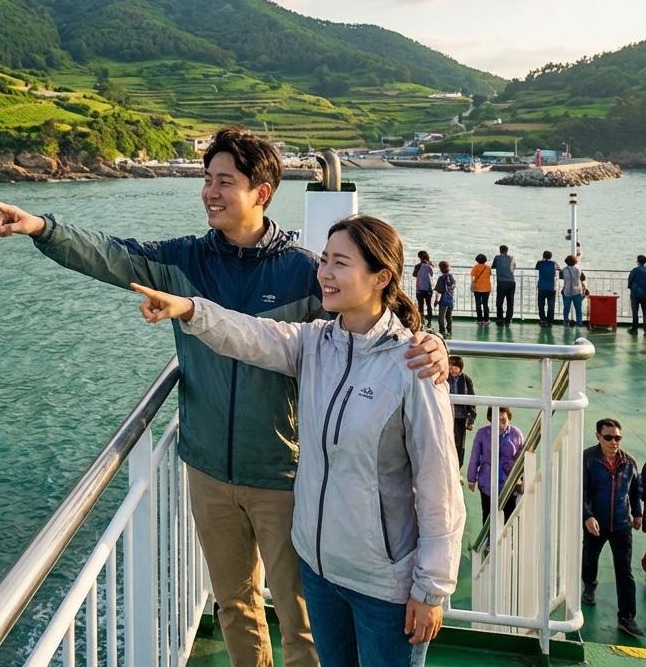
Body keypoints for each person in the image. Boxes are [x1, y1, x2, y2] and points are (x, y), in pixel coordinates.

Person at [0, 128, 449, 667]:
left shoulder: (306, 272)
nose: (210, 192)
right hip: (207, 469)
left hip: (284, 473)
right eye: (207, 180)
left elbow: (370, 328)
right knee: (235, 605)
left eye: (225, 181)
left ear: (262, 192)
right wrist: (43, 227)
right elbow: (110, 256)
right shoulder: (185, 262)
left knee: (302, 620)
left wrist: (431, 343)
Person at [130, 214, 464, 667]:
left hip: (384, 584)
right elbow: (249, 334)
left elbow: (439, 485)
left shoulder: (413, 366)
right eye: (324, 260)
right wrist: (190, 309)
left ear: (381, 277)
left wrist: (430, 588)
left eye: (340, 263)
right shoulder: (314, 344)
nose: (324, 273)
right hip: (320, 571)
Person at [582, 418, 644, 637]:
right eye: (608, 437)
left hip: (621, 524)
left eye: (617, 437)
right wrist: (587, 516)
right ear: (598, 436)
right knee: (590, 558)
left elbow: (635, 489)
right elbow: (580, 491)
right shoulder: (588, 459)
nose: (613, 441)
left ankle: (626, 618)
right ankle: (589, 585)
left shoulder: (629, 462)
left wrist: (637, 513)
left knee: (625, 572)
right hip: (595, 524)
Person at [467, 407, 524, 524]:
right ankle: (489, 541)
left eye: (503, 420)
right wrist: (471, 479)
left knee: (509, 518)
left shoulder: (516, 434)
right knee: (488, 517)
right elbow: (475, 456)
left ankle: (509, 541)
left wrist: (522, 480)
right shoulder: (482, 434)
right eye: (496, 420)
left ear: (508, 417)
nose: (500, 424)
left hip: (509, 484)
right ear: (490, 419)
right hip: (488, 484)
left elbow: (522, 458)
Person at [447, 356, 476, 471]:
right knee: (445, 441)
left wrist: (471, 418)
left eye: (454, 367)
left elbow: (472, 399)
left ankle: (457, 469)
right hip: (447, 414)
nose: (451, 369)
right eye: (450, 366)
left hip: (460, 416)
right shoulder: (445, 377)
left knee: (459, 444)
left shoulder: (466, 380)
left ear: (460, 368)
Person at [491, 245, 516, 327]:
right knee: (510, 302)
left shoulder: (497, 258)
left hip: (502, 282)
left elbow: (493, 266)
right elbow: (514, 266)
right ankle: (508, 321)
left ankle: (500, 320)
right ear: (507, 250)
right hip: (511, 282)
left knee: (499, 302)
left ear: (500, 250)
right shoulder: (512, 257)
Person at [535, 250, 560, 327]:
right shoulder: (554, 263)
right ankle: (550, 321)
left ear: (543, 256)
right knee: (551, 305)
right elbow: (559, 269)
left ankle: (543, 319)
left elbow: (536, 268)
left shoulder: (540, 263)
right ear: (551, 256)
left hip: (542, 287)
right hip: (551, 287)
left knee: (541, 305)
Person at [561, 254, 586, 328]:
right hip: (577, 291)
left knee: (566, 308)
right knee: (578, 309)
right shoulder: (579, 269)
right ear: (575, 261)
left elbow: (561, 277)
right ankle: (579, 323)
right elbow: (583, 278)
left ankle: (566, 321)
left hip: (567, 291)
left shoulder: (564, 270)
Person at [433, 260, 455, 338]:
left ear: (441, 269)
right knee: (449, 316)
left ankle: (442, 332)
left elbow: (438, 291)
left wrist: (436, 301)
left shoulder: (441, 278)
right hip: (451, 300)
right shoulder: (451, 277)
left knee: (441, 317)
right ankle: (449, 330)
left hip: (443, 300)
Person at [413, 250, 435, 327]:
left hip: (420, 288)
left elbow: (414, 274)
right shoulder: (430, 265)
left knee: (420, 306)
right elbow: (432, 274)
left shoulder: (418, 266)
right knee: (429, 305)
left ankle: (421, 321)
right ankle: (429, 322)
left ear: (419, 257)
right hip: (428, 288)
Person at [470, 253, 492, 326]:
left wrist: (473, 283)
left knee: (478, 304)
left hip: (477, 289)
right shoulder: (488, 267)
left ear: (477, 260)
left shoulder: (475, 267)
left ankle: (479, 320)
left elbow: (472, 276)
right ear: (485, 260)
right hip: (486, 288)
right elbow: (489, 274)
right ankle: (487, 320)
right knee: (485, 304)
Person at [627, 255, 646, 334]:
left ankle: (634, 329)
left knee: (635, 312)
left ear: (638, 262)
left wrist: (630, 287)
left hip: (635, 294)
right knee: (645, 313)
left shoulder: (634, 270)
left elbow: (630, 281)